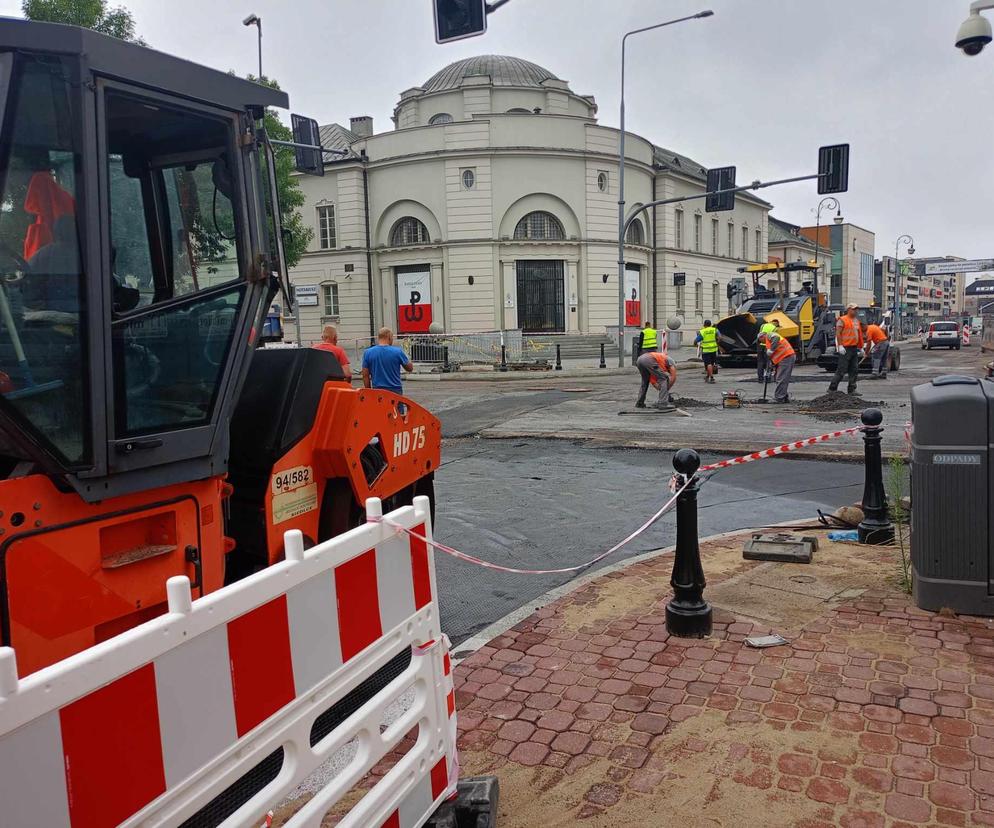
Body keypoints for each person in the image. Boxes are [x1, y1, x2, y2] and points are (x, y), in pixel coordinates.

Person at [362, 326, 413, 393]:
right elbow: (409, 368)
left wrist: (369, 392)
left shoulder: (367, 352)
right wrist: (408, 359)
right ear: (389, 337)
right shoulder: (397, 352)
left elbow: (365, 375)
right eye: (392, 338)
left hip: (377, 390)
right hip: (395, 390)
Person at [828, 304, 864, 395]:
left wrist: (861, 347)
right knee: (842, 369)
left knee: (854, 369)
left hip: (854, 348)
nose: (856, 311)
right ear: (848, 310)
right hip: (845, 348)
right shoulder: (842, 320)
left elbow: (859, 335)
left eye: (857, 309)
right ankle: (832, 388)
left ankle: (852, 389)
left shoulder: (856, 321)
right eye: (854, 309)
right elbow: (838, 333)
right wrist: (840, 346)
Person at [759, 330, 795, 403]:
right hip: (783, 359)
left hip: (786, 356)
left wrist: (771, 350)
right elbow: (773, 357)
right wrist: (769, 368)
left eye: (761, 341)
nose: (761, 343)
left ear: (762, 336)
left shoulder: (769, 335)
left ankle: (779, 398)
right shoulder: (768, 343)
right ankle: (784, 396)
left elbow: (776, 338)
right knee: (778, 377)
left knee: (781, 377)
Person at [694, 319, 719, 384]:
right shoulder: (714, 330)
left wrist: (696, 345)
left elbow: (696, 340)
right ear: (710, 324)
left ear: (704, 325)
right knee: (712, 363)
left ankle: (712, 377)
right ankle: (708, 376)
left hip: (706, 350)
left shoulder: (703, 331)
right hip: (714, 349)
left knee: (708, 364)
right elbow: (720, 337)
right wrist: (717, 343)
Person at [756, 318, 779, 383]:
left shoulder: (763, 325)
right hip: (767, 347)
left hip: (760, 346)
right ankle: (767, 379)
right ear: (776, 323)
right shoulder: (775, 328)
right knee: (768, 363)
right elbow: (774, 340)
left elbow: (760, 335)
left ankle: (760, 379)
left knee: (760, 363)